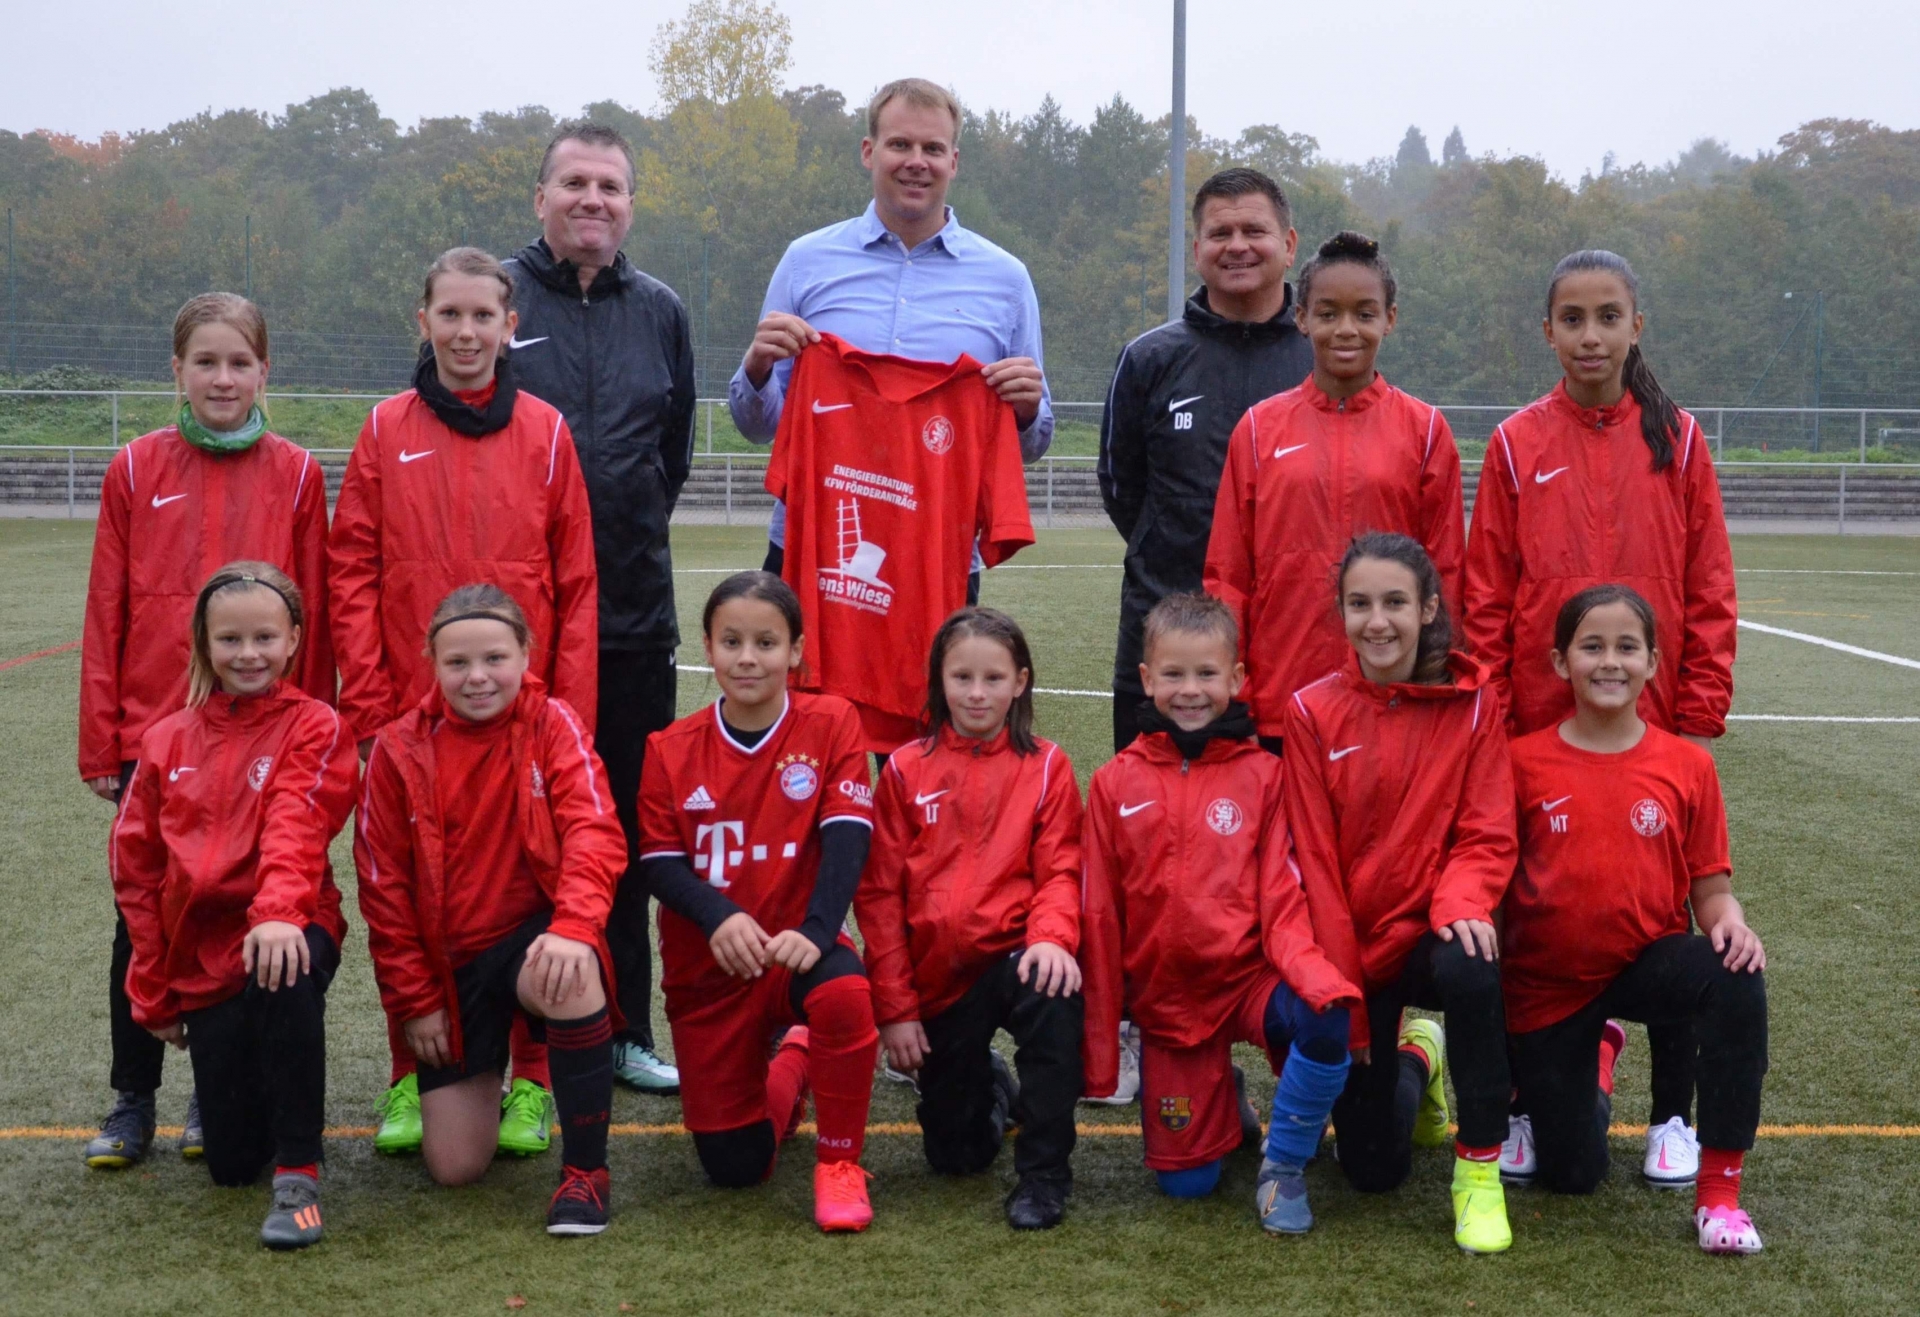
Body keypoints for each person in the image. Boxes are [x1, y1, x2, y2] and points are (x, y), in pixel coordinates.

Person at [1464, 249, 1737, 1188]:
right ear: (1548, 331)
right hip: (1540, 725)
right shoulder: (1515, 443)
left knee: (1666, 912)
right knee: (1528, 909)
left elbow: (1709, 582)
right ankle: (1522, 1103)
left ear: (1635, 327)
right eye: (1572, 319)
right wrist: (1493, 723)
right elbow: (1486, 592)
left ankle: (1673, 1115)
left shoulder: (1680, 441)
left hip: (1650, 721)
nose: (1590, 336)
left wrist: (1695, 711)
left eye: (1607, 317)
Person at [330, 246, 600, 1158]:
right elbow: (351, 573)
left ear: (510, 325)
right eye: (450, 314)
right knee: (411, 894)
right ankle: (409, 1070)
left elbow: (575, 582)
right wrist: (372, 710)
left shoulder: (547, 431)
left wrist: (566, 713)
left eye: (484, 315)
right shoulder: (384, 429)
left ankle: (531, 1082)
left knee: (530, 882)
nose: (467, 331)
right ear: (424, 322)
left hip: (522, 718)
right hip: (414, 721)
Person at [79, 292, 333, 1171]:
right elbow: (107, 606)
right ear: (177, 371)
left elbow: (312, 613)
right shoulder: (133, 467)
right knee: (142, 912)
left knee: (244, 901)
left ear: (266, 371)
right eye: (206, 362)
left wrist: (312, 736)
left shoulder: (298, 472)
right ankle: (133, 1094)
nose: (223, 378)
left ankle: (212, 1084)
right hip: (156, 737)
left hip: (265, 740)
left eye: (239, 362)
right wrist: (103, 741)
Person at [504, 121, 696, 1098]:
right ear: (539, 197)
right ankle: (510, 1042)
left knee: (619, 826)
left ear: (630, 204)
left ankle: (621, 1028)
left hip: (630, 620)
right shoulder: (496, 297)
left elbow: (672, 456)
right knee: (505, 834)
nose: (593, 200)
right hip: (510, 631)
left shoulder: (661, 310)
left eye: (611, 186)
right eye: (574, 182)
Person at [1080, 592, 1360, 1234]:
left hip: (1249, 980)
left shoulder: (1266, 775)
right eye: (1173, 674)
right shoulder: (1114, 783)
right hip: (1170, 1003)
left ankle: (1282, 1166)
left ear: (1236, 678)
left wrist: (1313, 976)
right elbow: (1099, 914)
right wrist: (1101, 1046)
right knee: (1188, 1186)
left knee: (1325, 1015)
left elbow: (1284, 893)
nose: (1190, 690)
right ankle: (1223, 1097)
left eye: (1207, 673)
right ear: (1147, 679)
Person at [353, 586, 627, 1236]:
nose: (477, 676)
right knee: (455, 1165)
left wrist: (574, 928)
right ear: (432, 663)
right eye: (458, 662)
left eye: (495, 658)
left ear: (526, 655)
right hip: (452, 968)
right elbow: (382, 886)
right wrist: (416, 999)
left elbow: (594, 831)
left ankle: (585, 1172)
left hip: (535, 941)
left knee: (571, 972)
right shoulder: (397, 747)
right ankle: (492, 1079)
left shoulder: (553, 723)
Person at [1501, 585, 1766, 1254]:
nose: (1609, 661)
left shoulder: (1687, 765)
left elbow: (1711, 890)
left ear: (1652, 661)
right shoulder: (1520, 762)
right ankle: (1595, 1057)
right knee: (1572, 1175)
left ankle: (1720, 1195)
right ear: (1560, 661)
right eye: (1591, 646)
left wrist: (1731, 922)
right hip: (1553, 985)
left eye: (1627, 647)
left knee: (1735, 973)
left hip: (1648, 961)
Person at [1283, 533, 1517, 1254]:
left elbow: (1486, 830)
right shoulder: (1310, 711)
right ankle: (1420, 1056)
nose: (1377, 621)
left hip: (1431, 930)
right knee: (1372, 1171)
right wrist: (1346, 1001)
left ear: (1428, 609)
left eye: (1394, 603)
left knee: (1472, 962)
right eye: (1359, 604)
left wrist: (1460, 903)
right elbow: (1315, 863)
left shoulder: (1474, 706)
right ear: (1341, 612)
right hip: (1356, 949)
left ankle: (1479, 1172)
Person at [111, 563, 354, 1249]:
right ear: (203, 643)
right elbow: (136, 870)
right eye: (230, 639)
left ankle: (300, 1174)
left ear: (294, 639)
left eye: (265, 638)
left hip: (289, 919)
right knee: (232, 1164)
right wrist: (153, 989)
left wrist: (277, 913)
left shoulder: (315, 724)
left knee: (284, 966)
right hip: (202, 952)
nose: (249, 654)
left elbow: (296, 826)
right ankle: (256, 1074)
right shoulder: (166, 738)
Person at [729, 76, 1052, 589]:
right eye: (900, 144)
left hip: (938, 555)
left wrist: (1029, 409)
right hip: (811, 543)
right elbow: (759, 427)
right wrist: (757, 368)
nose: (916, 162)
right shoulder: (807, 261)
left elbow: (1032, 444)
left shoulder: (1007, 281)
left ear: (954, 161)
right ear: (869, 151)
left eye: (933, 148)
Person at [637, 573, 881, 1233]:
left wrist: (819, 929)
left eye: (767, 643)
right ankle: (797, 1057)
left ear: (795, 650)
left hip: (796, 948)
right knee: (736, 1167)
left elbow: (848, 835)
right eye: (732, 641)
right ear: (708, 648)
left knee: (843, 992)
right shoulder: (669, 748)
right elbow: (657, 860)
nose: (748, 658)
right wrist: (717, 916)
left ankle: (839, 1163)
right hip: (709, 970)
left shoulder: (831, 722)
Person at [856, 608, 1085, 1230]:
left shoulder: (1047, 766)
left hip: (1016, 955)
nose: (977, 693)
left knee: (1054, 991)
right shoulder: (905, 769)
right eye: (962, 677)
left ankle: (1044, 1175)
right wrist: (897, 1009)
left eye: (993, 678)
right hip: (941, 980)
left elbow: (1061, 871)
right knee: (956, 1157)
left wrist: (1051, 940)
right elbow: (879, 896)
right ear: (940, 680)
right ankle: (991, 1086)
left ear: (1020, 682)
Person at [1205, 232, 1464, 752]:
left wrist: (1436, 683)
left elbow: (1448, 573)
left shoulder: (1425, 431)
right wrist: (1237, 695)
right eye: (1328, 314)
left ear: (1390, 319)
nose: (1346, 329)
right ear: (1302, 318)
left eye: (1364, 314)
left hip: (1393, 701)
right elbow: (1228, 577)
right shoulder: (1258, 430)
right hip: (1279, 703)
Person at [1098, 166, 1313, 755]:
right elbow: (1122, 487)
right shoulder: (1148, 358)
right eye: (1221, 233)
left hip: (1293, 644)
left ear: (1289, 244)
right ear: (1197, 250)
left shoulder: (1322, 357)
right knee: (1153, 805)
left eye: (1254, 231)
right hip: (1168, 640)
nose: (1237, 246)